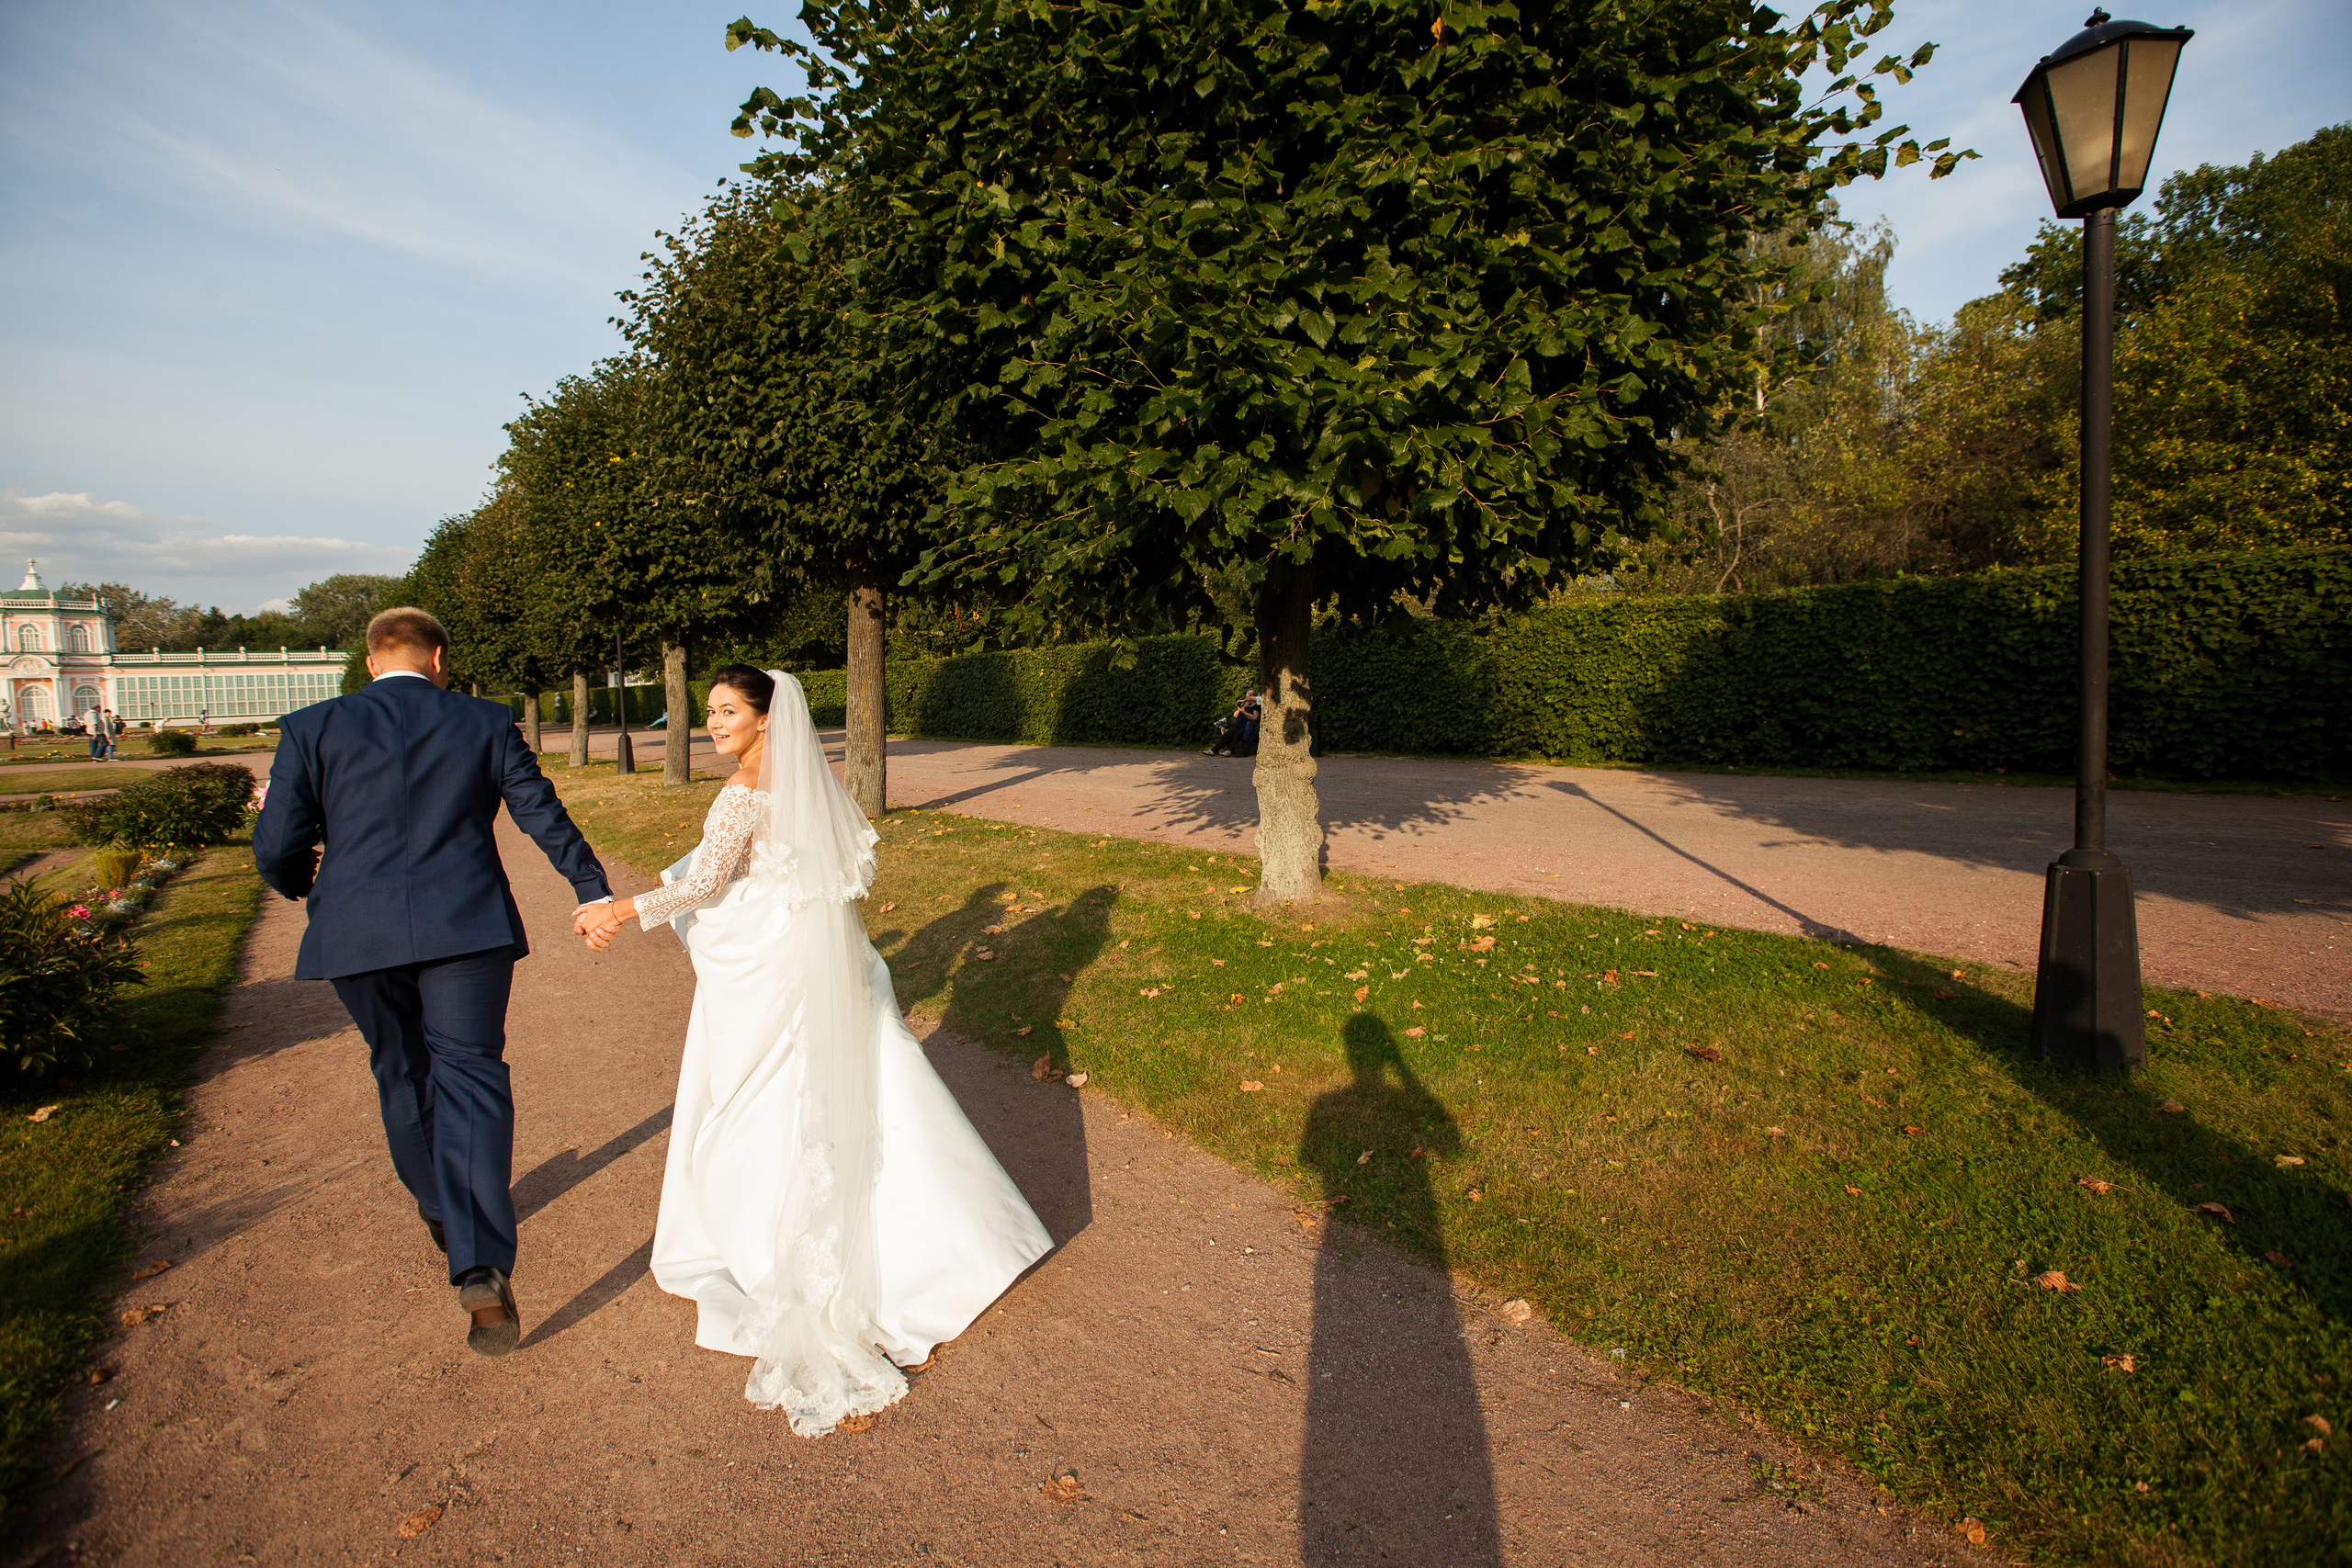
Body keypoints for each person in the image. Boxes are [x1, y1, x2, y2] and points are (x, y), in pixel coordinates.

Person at [574, 667, 1052, 1435]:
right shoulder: (805, 784)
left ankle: (787, 1254)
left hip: (770, 977)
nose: (714, 723)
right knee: (861, 1088)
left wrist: (618, 908)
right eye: (710, 712)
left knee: (754, 1111)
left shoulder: (743, 793)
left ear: (766, 717)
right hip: (808, 963)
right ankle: (951, 1252)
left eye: (728, 711)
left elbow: (706, 883)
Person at [253, 608, 614, 1357]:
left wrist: (303, 885)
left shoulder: (312, 727)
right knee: (471, 1074)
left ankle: (445, 1212)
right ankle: (479, 1260)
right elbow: (538, 810)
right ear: (439, 657)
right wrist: (589, 885)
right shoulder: (484, 720)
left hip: (356, 931)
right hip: (466, 927)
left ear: (370, 660)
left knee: (402, 1071)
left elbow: (278, 842)